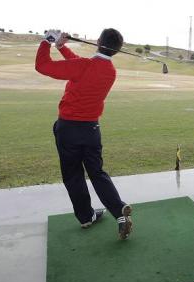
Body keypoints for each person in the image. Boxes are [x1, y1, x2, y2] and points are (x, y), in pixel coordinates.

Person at [35, 29, 133, 239]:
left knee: (73, 176)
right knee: (97, 173)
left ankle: (86, 217)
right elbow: (82, 66)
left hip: (69, 130)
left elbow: (42, 66)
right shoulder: (110, 70)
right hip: (91, 130)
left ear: (98, 42)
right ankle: (119, 211)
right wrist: (62, 47)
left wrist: (47, 42)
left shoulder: (84, 67)